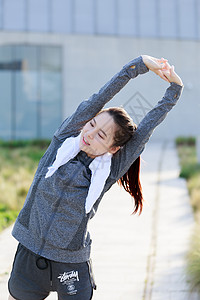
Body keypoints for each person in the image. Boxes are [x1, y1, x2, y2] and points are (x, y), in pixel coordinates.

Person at [8, 55, 183, 300]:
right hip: (29, 253)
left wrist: (174, 90)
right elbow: (99, 98)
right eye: (91, 125)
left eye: (102, 136)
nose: (89, 134)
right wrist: (138, 65)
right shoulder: (63, 142)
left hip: (69, 264)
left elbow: (144, 132)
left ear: (113, 149)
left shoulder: (108, 171)